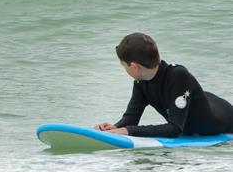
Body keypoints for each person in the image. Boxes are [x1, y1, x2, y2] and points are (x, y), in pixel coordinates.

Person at [95, 32, 233, 137]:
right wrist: (114, 127)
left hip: (226, 121)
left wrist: (127, 131)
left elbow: (175, 128)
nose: (123, 68)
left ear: (134, 66)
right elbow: (131, 118)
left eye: (123, 65)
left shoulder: (178, 75)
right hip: (198, 105)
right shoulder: (141, 82)